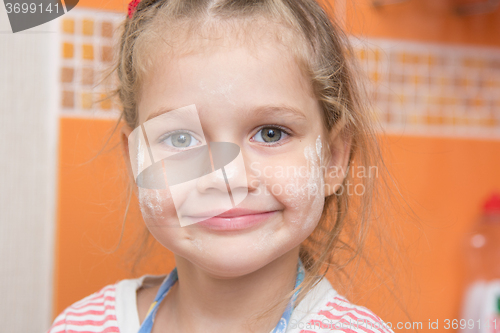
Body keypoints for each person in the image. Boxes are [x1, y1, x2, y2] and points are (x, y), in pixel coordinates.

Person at [47, 0, 395, 332]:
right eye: (181, 138)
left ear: (332, 159)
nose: (227, 177)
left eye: (271, 134)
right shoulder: (80, 326)